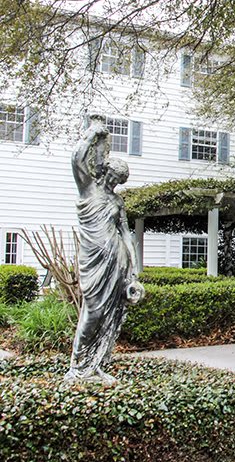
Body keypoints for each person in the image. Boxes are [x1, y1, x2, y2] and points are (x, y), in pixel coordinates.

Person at [65, 123, 144, 383]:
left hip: (117, 260)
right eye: (111, 176)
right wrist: (91, 135)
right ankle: (78, 367)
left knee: (109, 312)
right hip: (94, 259)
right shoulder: (89, 188)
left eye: (118, 181)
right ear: (105, 171)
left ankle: (96, 363)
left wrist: (133, 271)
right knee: (94, 310)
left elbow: (126, 235)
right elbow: (77, 159)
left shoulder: (117, 202)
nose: (113, 182)